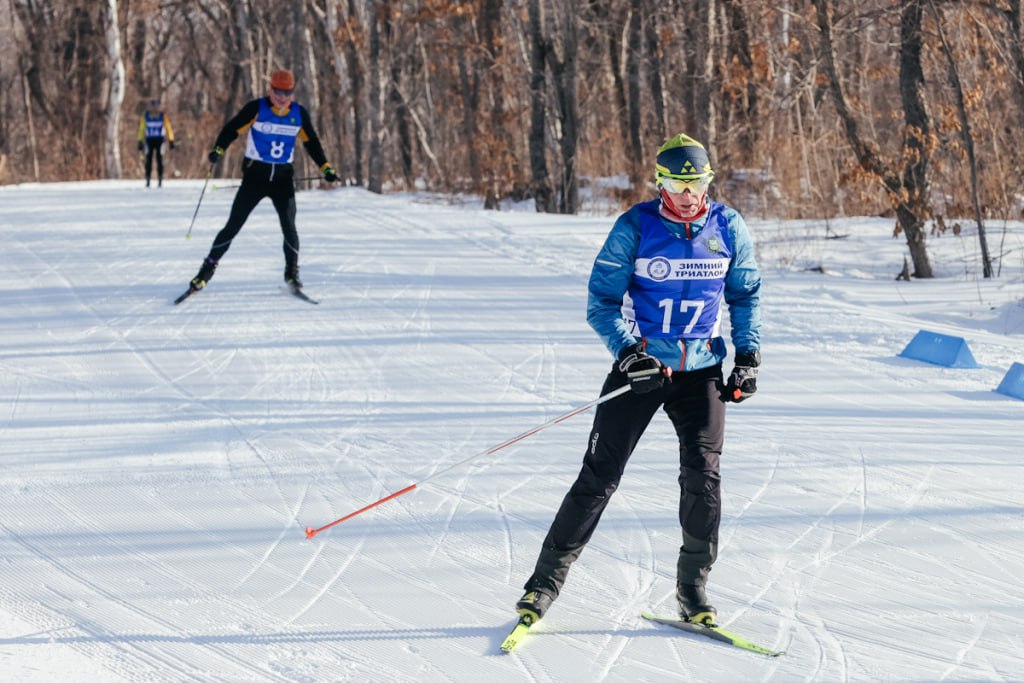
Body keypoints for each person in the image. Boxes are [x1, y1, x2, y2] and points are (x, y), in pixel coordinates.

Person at [514, 133, 762, 627]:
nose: (688, 195)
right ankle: (542, 587)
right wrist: (629, 353)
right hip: (644, 369)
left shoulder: (728, 226)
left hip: (702, 373)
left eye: (697, 184)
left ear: (708, 182)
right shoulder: (635, 226)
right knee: (600, 477)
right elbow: (600, 303)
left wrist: (748, 354)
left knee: (703, 478)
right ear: (660, 182)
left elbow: (746, 295)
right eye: (677, 184)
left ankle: (693, 593)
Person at [185, 69, 339, 296]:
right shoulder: (257, 108)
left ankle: (292, 273)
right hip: (255, 178)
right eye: (278, 91)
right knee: (233, 225)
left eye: (287, 92)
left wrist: (325, 167)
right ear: (271, 90)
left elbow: (312, 143)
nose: (283, 97)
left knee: (289, 227)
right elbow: (231, 128)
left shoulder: (298, 114)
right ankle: (205, 272)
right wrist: (218, 149)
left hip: (283, 180)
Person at [138, 99, 175, 188]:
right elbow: (142, 128)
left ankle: (160, 179)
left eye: (155, 106)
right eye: (152, 106)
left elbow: (168, 127)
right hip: (149, 140)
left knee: (159, 160)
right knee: (148, 160)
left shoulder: (163, 115)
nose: (154, 108)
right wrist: (140, 140)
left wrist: (171, 140)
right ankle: (148, 179)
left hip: (160, 140)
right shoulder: (145, 115)